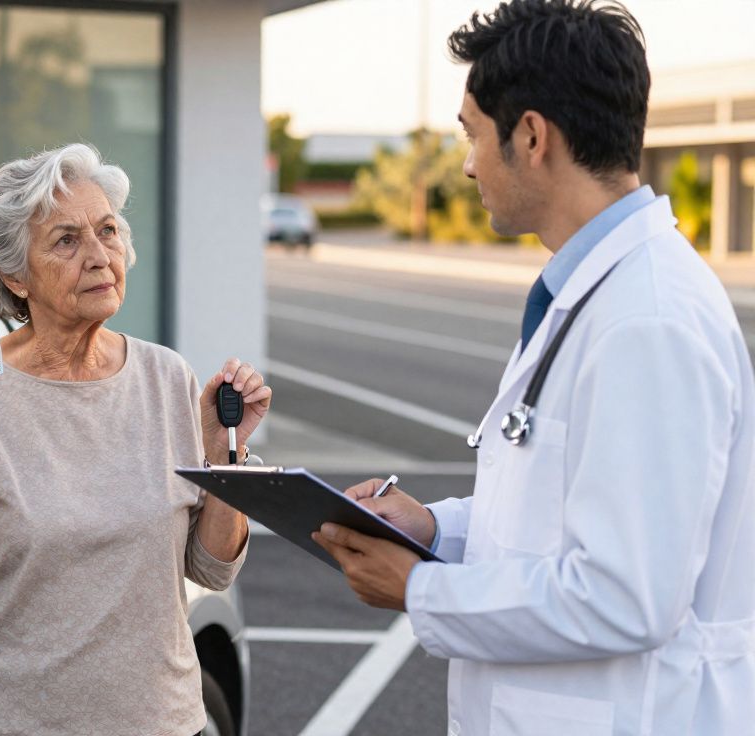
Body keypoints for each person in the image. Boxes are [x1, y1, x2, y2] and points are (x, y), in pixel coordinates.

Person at [312, 2, 755, 734]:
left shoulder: (648, 320)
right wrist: (434, 530)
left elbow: (625, 595)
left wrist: (423, 591)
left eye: (472, 134)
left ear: (531, 135)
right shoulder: (592, 293)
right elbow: (563, 515)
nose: (466, 163)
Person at [0, 143, 268, 736]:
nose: (100, 256)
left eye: (108, 231)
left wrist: (224, 455)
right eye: (67, 240)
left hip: (161, 723)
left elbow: (214, 568)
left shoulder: (167, 377)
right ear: (15, 275)